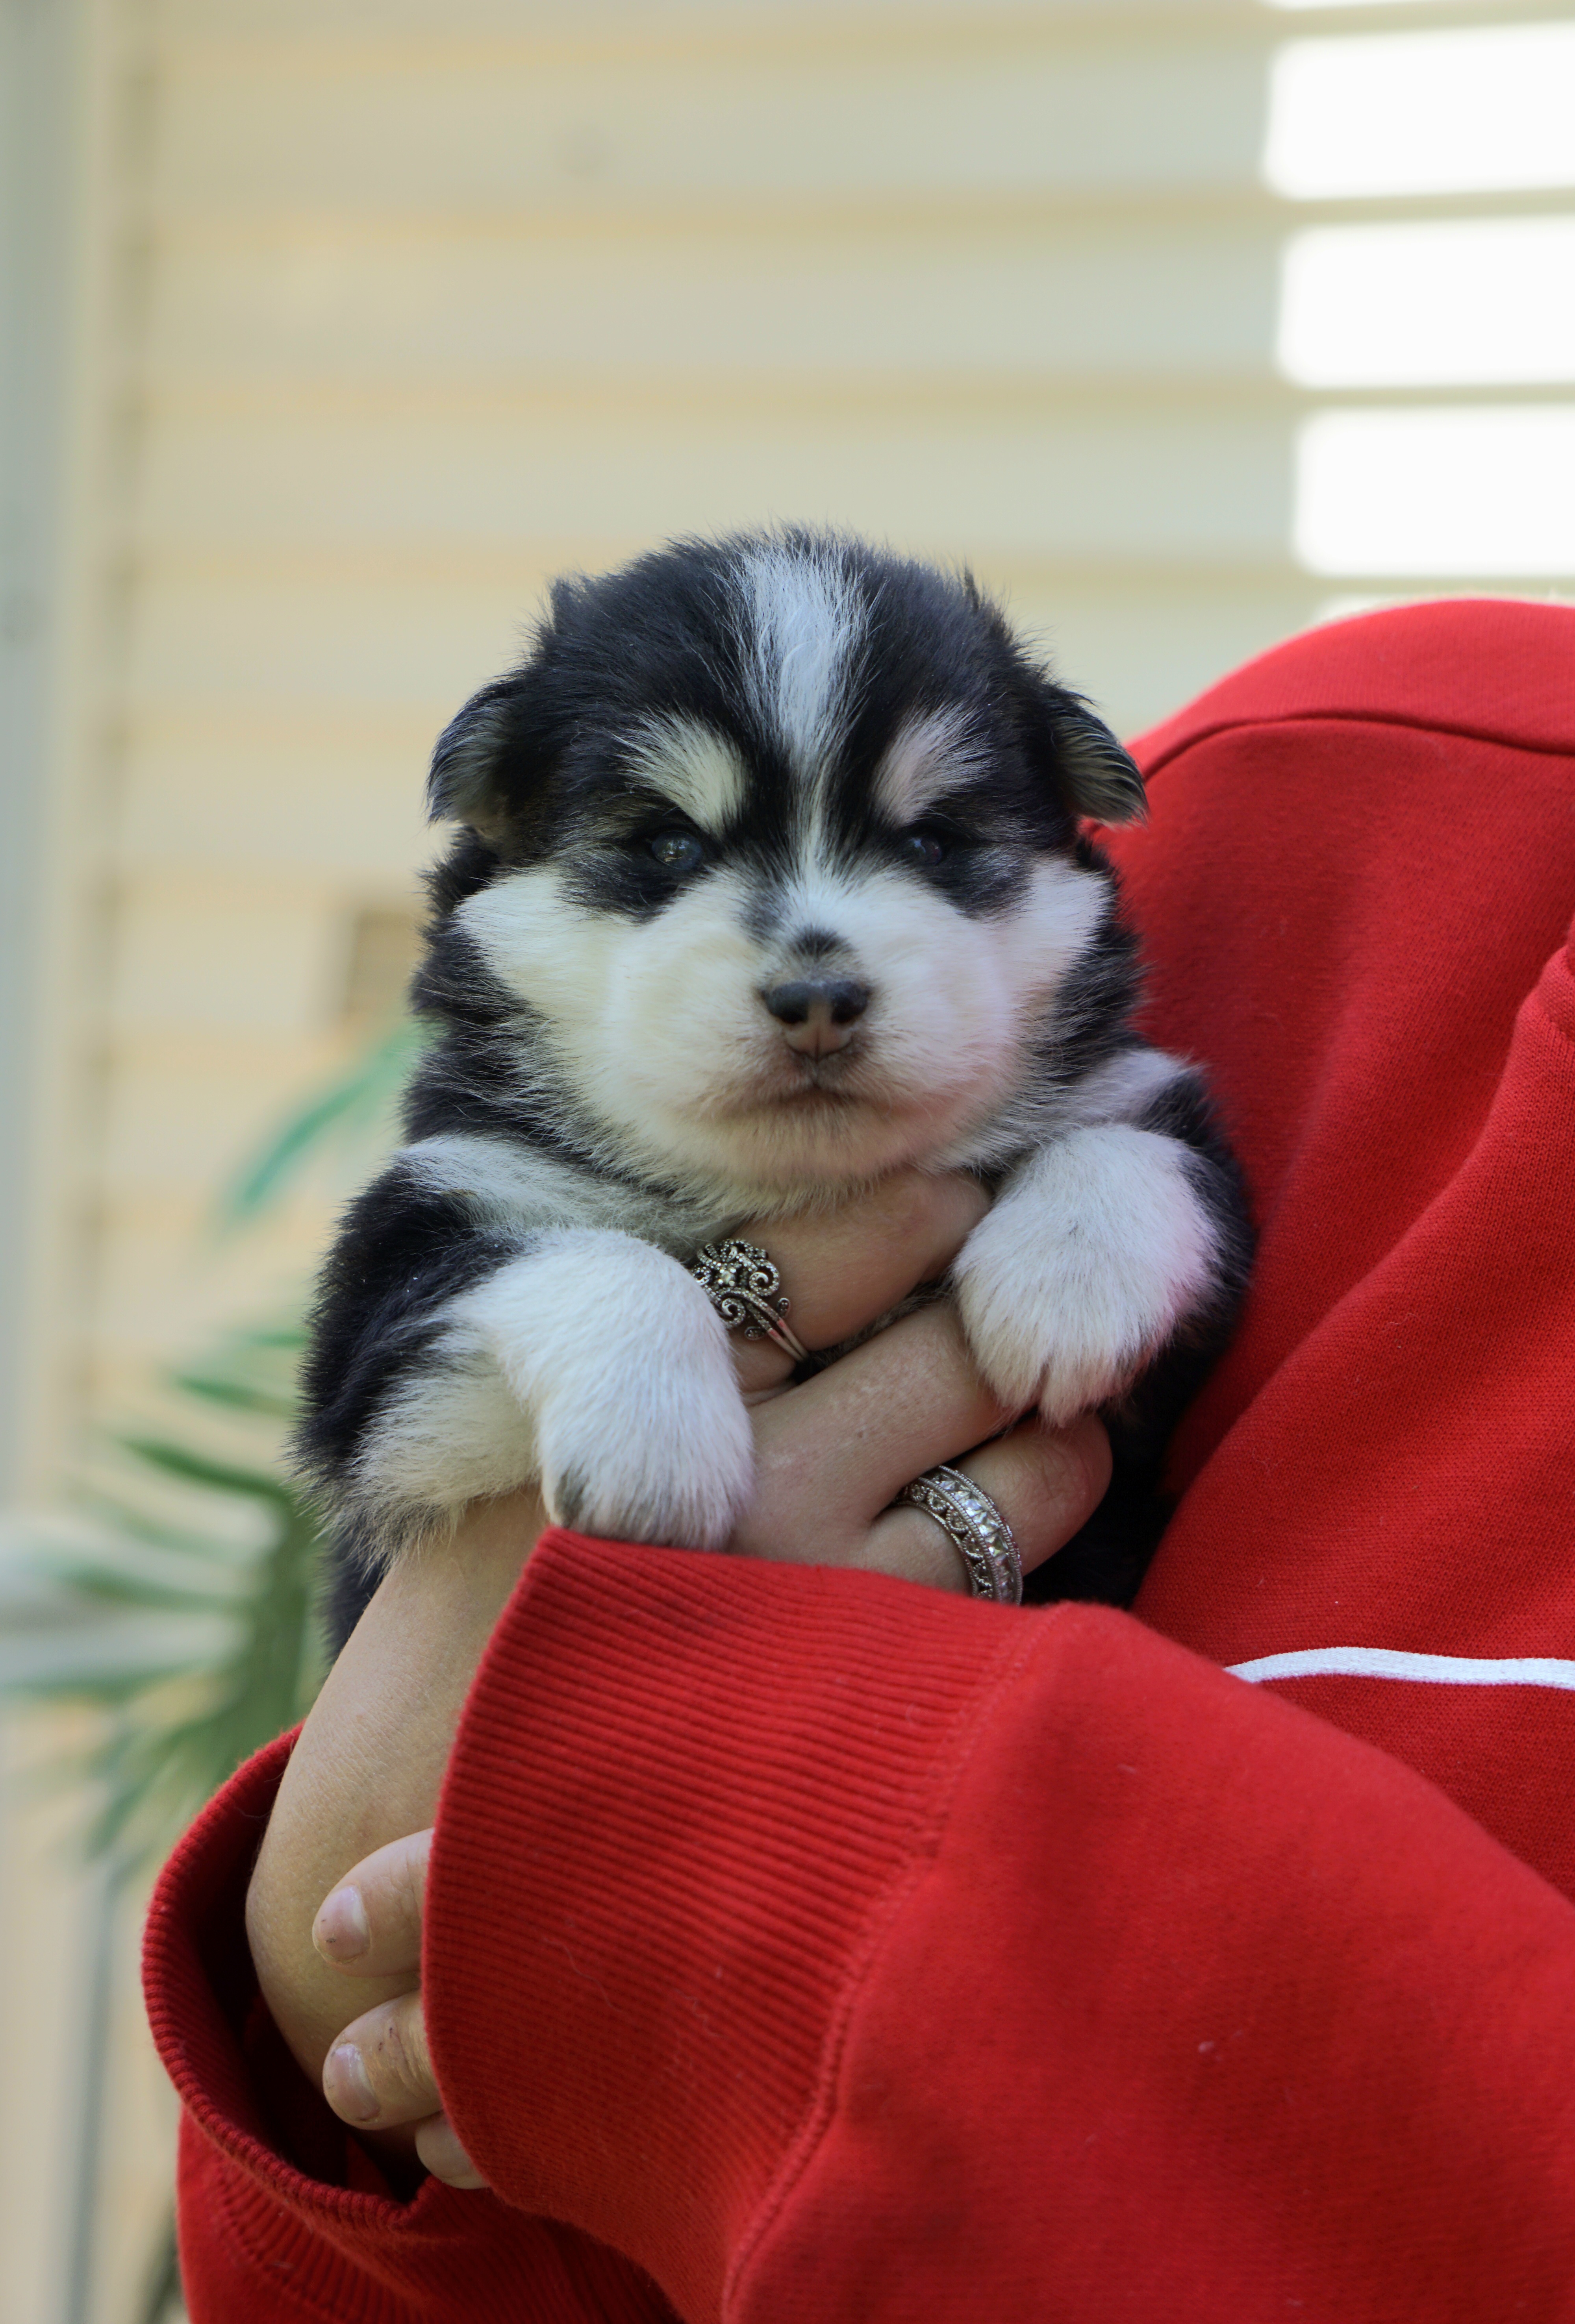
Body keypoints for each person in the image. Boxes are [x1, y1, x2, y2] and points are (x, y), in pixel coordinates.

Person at [144, 597, 1575, 2321]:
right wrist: (617, 1314)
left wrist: (1110, 1193)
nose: (813, 970)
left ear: (1069, 862)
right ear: (491, 861)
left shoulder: (1120, 1117)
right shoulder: (1353, 777)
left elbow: (1156, 1209)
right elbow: (392, 1443)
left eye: (937, 841)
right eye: (659, 848)